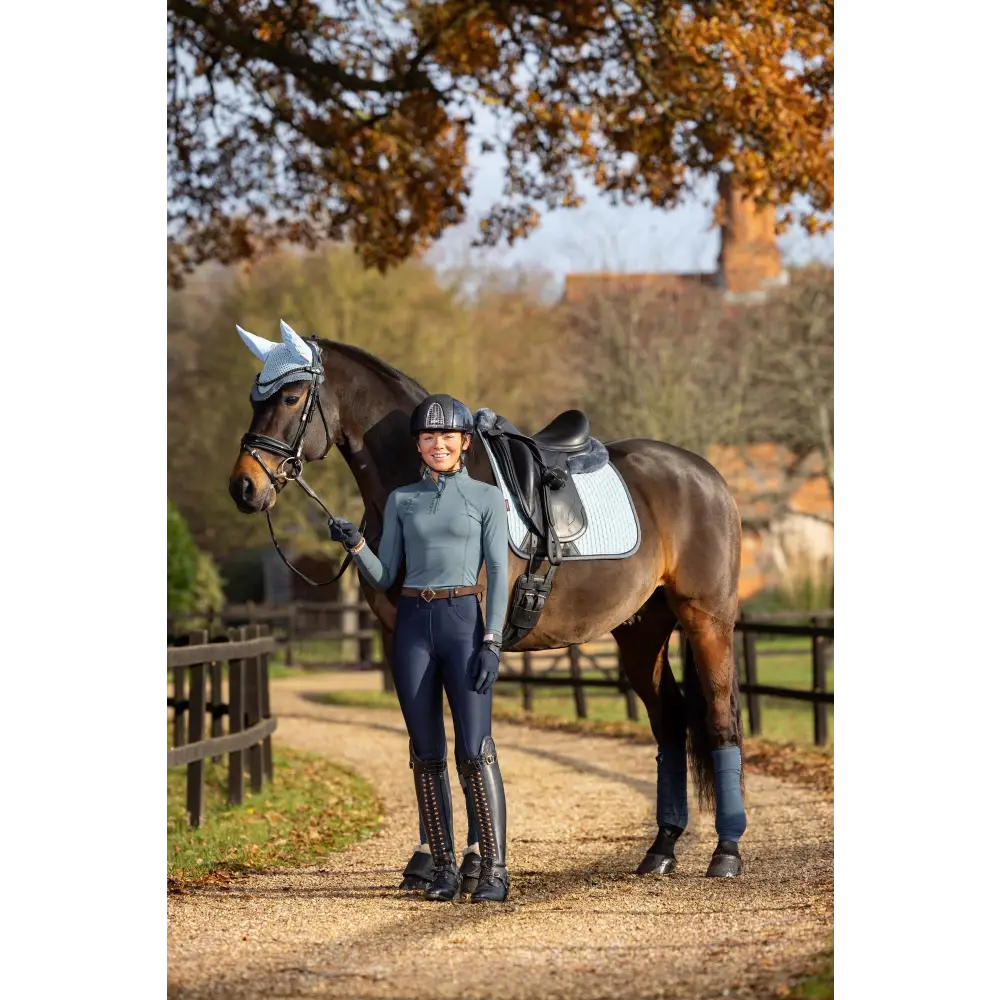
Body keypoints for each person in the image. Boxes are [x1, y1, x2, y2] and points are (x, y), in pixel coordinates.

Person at [328, 393, 511, 903]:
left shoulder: (486, 499)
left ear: (464, 443)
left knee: (475, 750)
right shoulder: (402, 501)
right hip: (412, 625)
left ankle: (494, 868)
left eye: (446, 436)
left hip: (463, 622)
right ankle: (445, 868)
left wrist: (492, 640)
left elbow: (497, 572)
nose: (437, 445)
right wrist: (355, 545)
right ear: (419, 445)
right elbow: (387, 575)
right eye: (428, 437)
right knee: (425, 753)